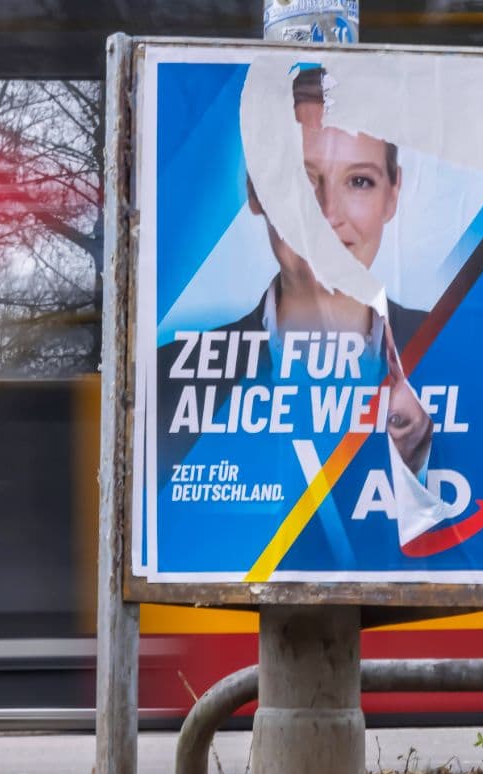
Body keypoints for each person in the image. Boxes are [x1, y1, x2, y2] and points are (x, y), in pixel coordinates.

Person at [158, 65, 434, 479]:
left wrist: (420, 460)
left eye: (359, 181)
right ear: (256, 190)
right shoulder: (170, 379)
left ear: (392, 195)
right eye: (300, 181)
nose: (327, 214)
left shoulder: (450, 357)